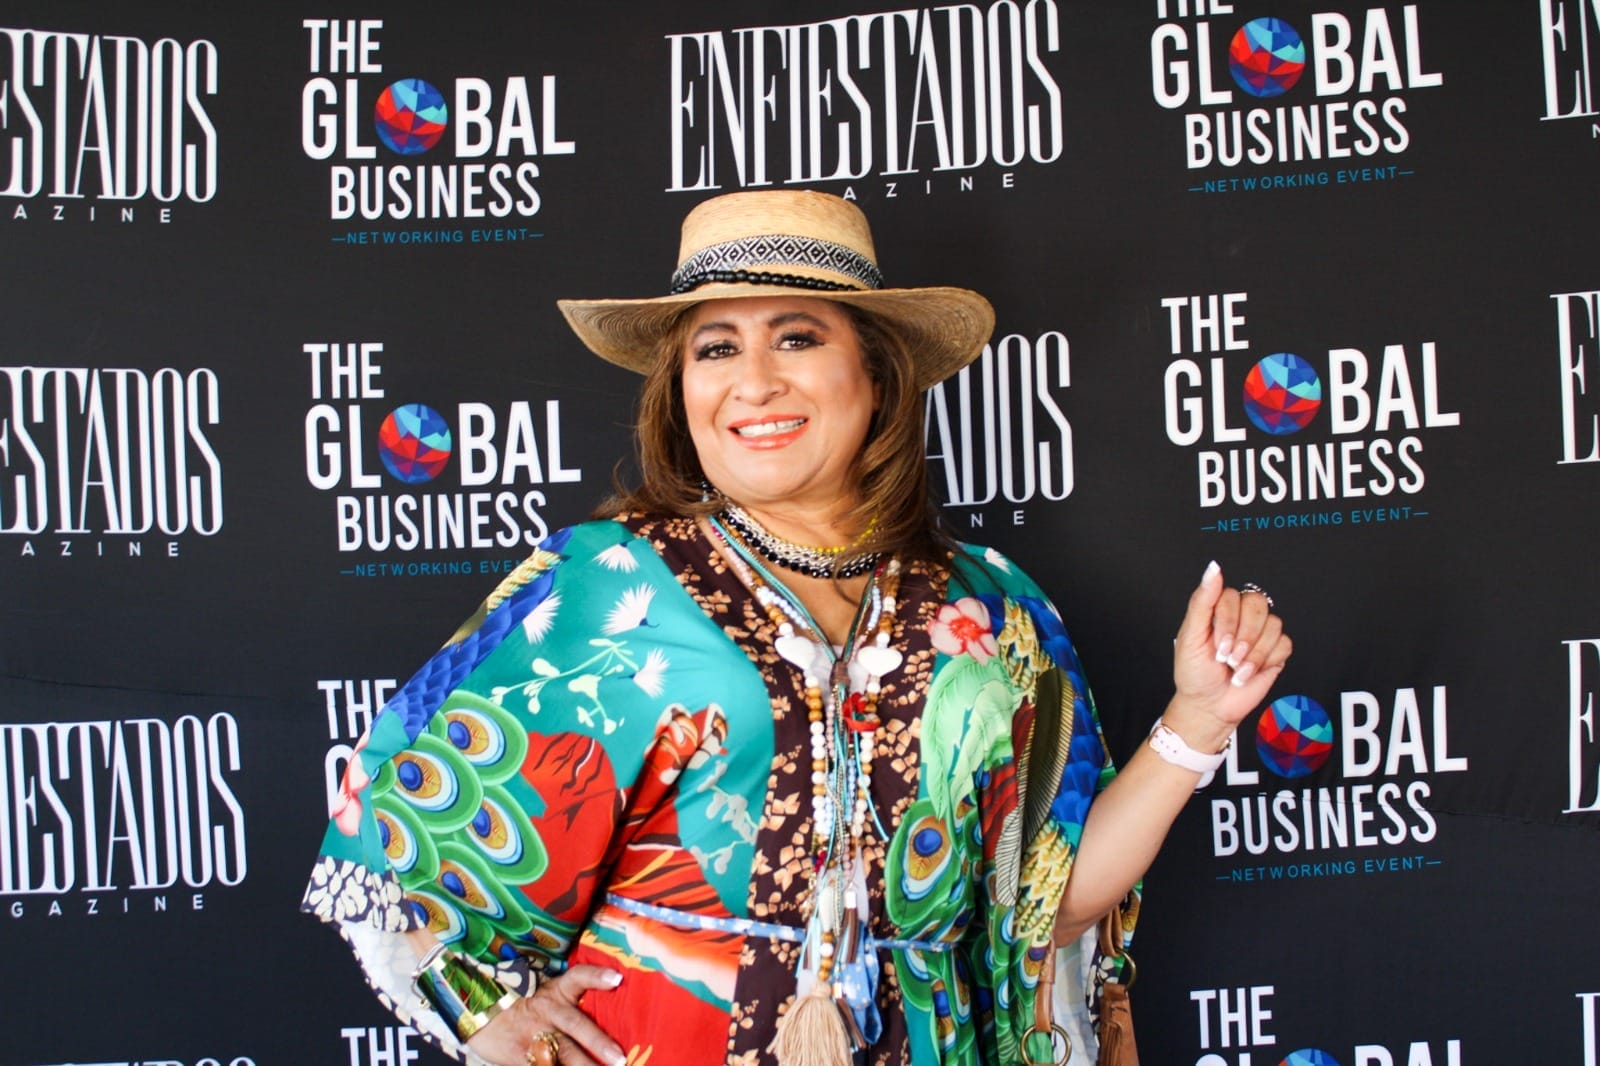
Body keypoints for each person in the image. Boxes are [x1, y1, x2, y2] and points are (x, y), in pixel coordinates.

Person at [303, 190, 1291, 1066]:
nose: (754, 381)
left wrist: (1197, 720)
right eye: (715, 347)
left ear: (876, 375)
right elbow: (394, 845)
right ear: (681, 389)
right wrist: (486, 1012)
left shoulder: (991, 606)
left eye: (797, 337)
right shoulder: (606, 582)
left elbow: (1050, 902)